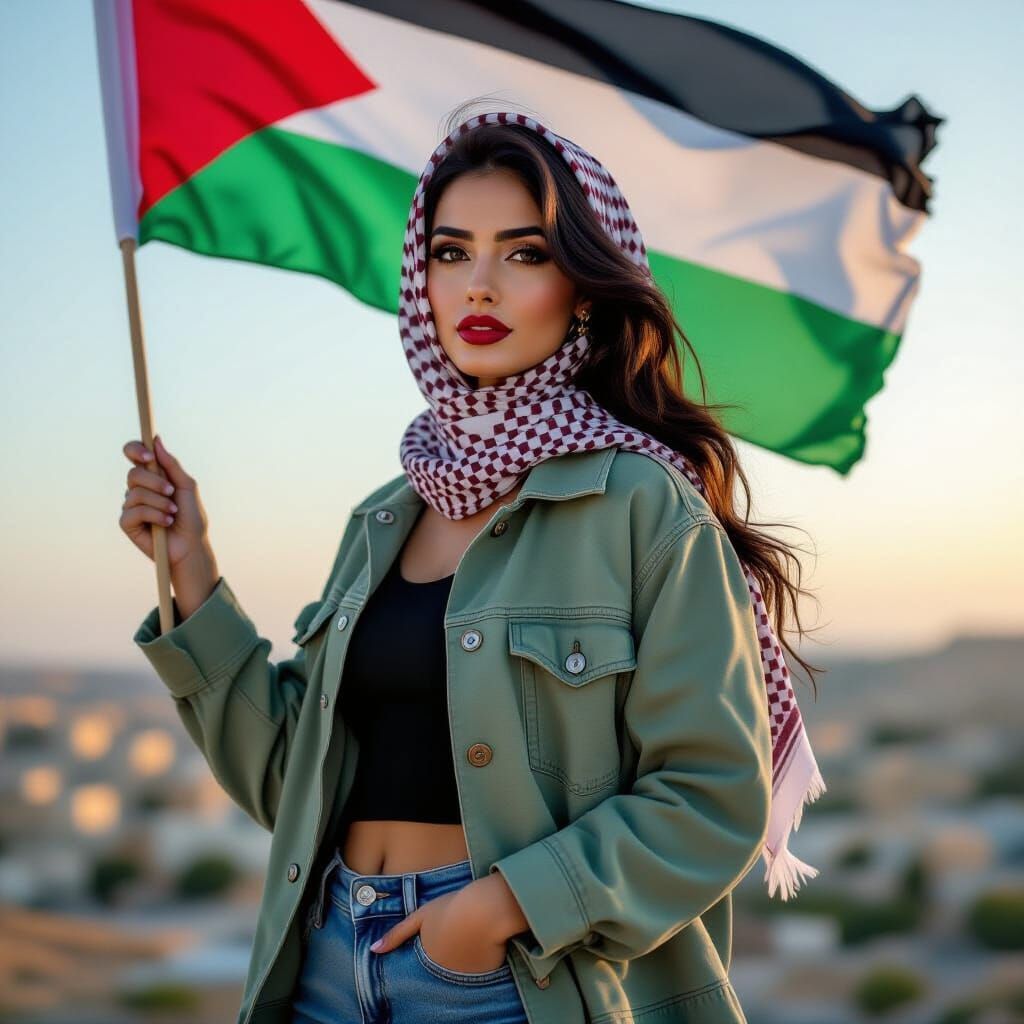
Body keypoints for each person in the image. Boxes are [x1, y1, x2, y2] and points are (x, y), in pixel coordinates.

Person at [121, 105, 826, 1024]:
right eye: (451, 253)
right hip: (329, 955)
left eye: (523, 253)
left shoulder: (641, 503)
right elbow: (294, 781)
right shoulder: (387, 513)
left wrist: (495, 911)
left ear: (582, 285)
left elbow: (711, 796)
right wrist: (191, 572)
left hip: (514, 978)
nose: (478, 287)